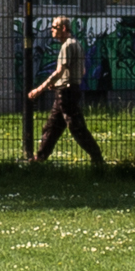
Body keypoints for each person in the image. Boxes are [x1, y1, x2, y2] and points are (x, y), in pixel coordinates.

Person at [26, 13, 104, 169]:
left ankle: (98, 159)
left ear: (63, 28)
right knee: (52, 128)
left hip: (66, 93)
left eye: (54, 27)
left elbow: (60, 70)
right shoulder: (77, 44)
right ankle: (39, 159)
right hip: (68, 89)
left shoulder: (67, 45)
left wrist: (39, 90)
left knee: (77, 128)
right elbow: (80, 71)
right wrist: (59, 83)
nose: (51, 31)